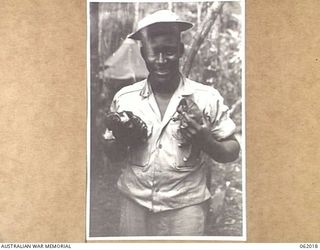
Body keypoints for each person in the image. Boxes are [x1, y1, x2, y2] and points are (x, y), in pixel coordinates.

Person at [102, 10, 240, 236]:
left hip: (186, 209)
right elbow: (112, 152)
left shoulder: (206, 97)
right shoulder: (125, 98)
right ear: (143, 53)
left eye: (169, 52)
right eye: (154, 52)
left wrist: (206, 141)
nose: (161, 60)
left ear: (181, 51)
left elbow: (232, 150)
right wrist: (121, 140)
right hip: (134, 204)